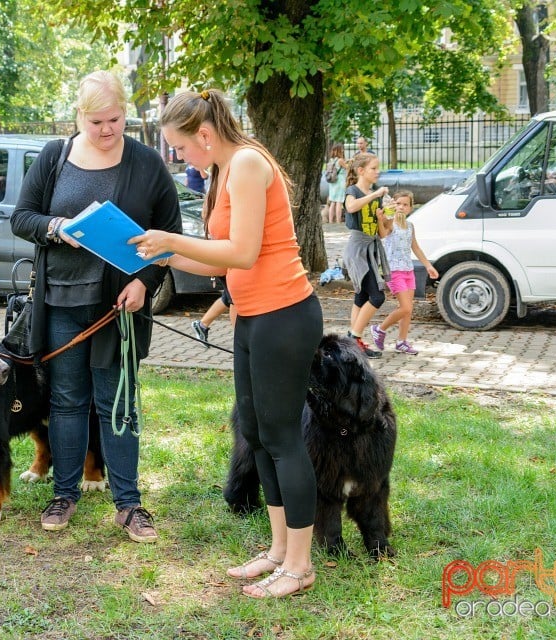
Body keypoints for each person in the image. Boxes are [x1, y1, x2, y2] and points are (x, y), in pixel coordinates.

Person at [130, 89, 323, 596]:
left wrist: (171, 238)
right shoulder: (222, 171)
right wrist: (164, 256)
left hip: (285, 314)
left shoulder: (247, 164)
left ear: (205, 135)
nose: (180, 158)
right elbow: (220, 262)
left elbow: (243, 251)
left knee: (282, 437)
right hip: (253, 315)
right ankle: (279, 550)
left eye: (181, 148)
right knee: (257, 432)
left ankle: (300, 567)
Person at [10, 70, 182, 543]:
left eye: (116, 119)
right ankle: (65, 494)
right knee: (67, 400)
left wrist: (146, 282)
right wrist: (57, 227)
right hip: (60, 301)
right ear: (78, 117)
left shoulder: (147, 164)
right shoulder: (55, 156)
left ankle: (128, 504)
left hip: (119, 307)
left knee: (116, 401)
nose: (108, 130)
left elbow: (168, 236)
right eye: (97, 122)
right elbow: (22, 218)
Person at [368, 190, 438, 355]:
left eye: (405, 204)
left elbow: (415, 247)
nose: (401, 207)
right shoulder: (390, 222)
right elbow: (383, 234)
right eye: (398, 203)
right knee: (405, 308)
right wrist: (381, 219)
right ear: (393, 204)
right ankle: (379, 329)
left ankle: (401, 341)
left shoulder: (410, 226)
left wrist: (428, 265)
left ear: (410, 208)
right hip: (394, 270)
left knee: (408, 308)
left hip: (408, 270)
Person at [343, 152, 391, 358]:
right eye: (373, 168)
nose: (377, 171)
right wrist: (375, 195)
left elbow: (382, 233)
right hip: (357, 249)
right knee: (377, 296)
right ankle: (354, 337)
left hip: (371, 248)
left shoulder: (376, 196)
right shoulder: (352, 191)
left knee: (361, 297)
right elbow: (351, 206)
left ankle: (354, 344)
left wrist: (386, 216)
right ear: (361, 171)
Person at [324, 143, 347, 225]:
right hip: (340, 181)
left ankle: (330, 221)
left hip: (332, 182)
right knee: (339, 202)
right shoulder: (340, 160)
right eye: (342, 149)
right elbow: (347, 167)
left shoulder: (331, 160)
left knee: (333, 201)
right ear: (339, 150)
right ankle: (338, 220)